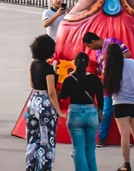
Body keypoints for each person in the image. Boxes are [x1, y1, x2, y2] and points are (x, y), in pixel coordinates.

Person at [82, 32, 132, 147]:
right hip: (107, 83)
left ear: (93, 42)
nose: (90, 49)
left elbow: (128, 54)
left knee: (123, 109)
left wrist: (113, 63)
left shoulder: (112, 42)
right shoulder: (97, 52)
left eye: (89, 46)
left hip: (120, 81)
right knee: (106, 110)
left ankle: (126, 139)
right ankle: (102, 138)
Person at [25, 34, 65, 171]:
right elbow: (52, 92)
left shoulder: (33, 64)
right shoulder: (48, 69)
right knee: (47, 139)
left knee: (32, 136)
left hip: (33, 102)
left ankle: (31, 165)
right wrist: (59, 111)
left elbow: (31, 83)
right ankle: (44, 167)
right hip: (45, 104)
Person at [104, 44, 134, 171]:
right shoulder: (133, 63)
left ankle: (126, 164)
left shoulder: (109, 67)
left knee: (125, 135)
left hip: (120, 103)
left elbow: (107, 86)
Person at [60, 52, 103, 171]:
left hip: (75, 114)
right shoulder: (94, 79)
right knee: (90, 148)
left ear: (75, 63)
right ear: (88, 63)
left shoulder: (69, 80)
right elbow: (100, 98)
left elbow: (63, 95)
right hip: (91, 113)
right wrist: (100, 113)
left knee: (78, 148)